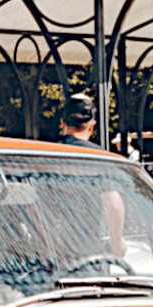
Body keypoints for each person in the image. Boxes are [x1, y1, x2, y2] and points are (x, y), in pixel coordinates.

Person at [57, 92, 127, 258]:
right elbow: (112, 203)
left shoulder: (44, 154)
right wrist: (118, 243)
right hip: (89, 253)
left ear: (62, 123)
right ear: (91, 126)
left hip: (52, 254)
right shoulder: (99, 158)